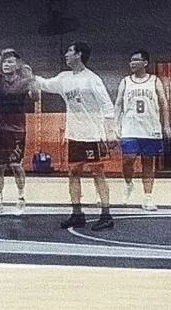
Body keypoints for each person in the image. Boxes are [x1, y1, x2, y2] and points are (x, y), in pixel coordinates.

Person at [35, 41, 116, 231]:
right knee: (73, 173)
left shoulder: (92, 79)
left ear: (78, 55)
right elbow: (45, 84)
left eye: (69, 51)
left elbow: (107, 105)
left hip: (93, 134)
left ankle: (106, 215)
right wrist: (28, 75)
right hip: (74, 134)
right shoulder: (64, 78)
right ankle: (77, 213)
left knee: (97, 173)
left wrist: (110, 132)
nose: (66, 54)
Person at [114, 50, 171, 211]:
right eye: (131, 60)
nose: (132, 63)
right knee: (128, 159)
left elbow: (163, 103)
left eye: (136, 60)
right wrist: (116, 125)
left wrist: (166, 125)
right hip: (130, 128)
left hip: (150, 128)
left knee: (148, 163)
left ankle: (148, 197)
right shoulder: (125, 81)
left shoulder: (155, 81)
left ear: (145, 62)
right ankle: (128, 184)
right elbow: (118, 104)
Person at [0, 49, 37, 216]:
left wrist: (32, 79)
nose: (6, 64)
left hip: (17, 130)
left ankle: (21, 199)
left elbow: (36, 97)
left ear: (17, 65)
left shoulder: (24, 81)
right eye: (5, 62)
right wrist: (1, 56)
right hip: (0, 129)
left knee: (16, 166)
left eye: (10, 62)